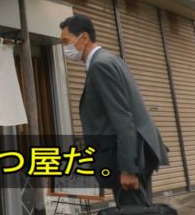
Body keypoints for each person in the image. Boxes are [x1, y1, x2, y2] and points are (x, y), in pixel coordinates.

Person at [59, 14, 169, 207]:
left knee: (133, 210)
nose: (64, 48)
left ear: (84, 37)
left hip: (126, 158)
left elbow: (122, 118)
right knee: (140, 208)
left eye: (66, 41)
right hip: (135, 152)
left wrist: (128, 169)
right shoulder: (111, 59)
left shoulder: (100, 66)